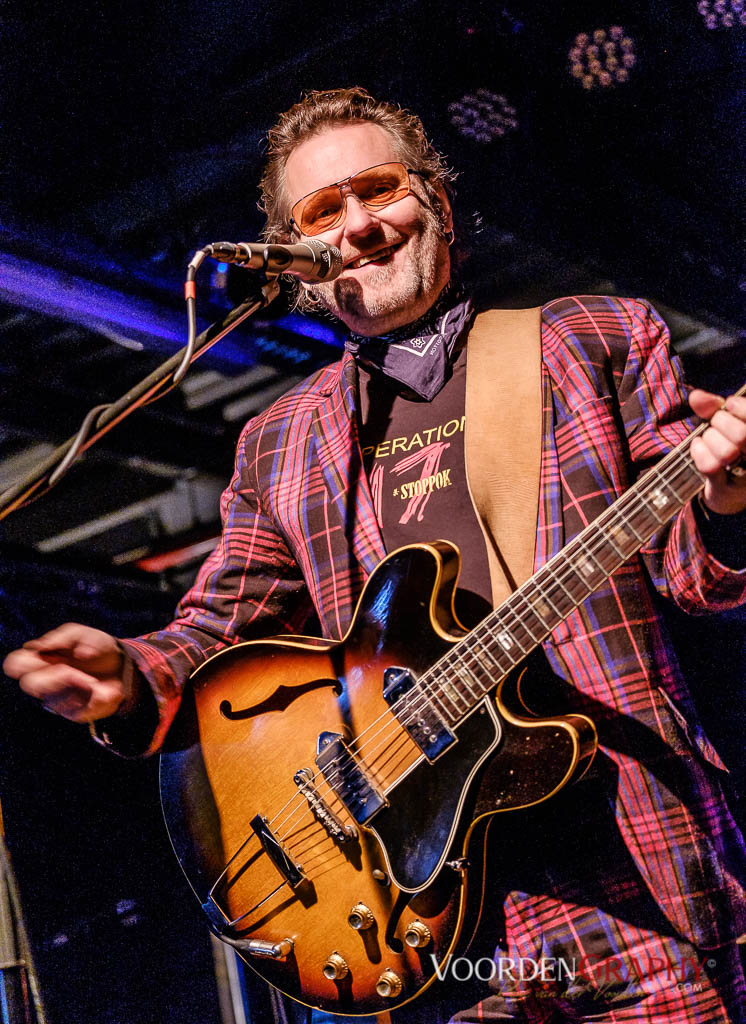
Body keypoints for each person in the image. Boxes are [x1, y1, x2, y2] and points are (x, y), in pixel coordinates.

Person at [5, 87, 746, 1023]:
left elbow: (693, 571)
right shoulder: (281, 442)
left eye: (380, 189)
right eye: (323, 211)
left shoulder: (591, 341)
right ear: (296, 260)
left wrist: (729, 495)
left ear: (435, 201)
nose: (357, 225)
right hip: (415, 927)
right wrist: (129, 675)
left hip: (632, 883)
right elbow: (221, 630)